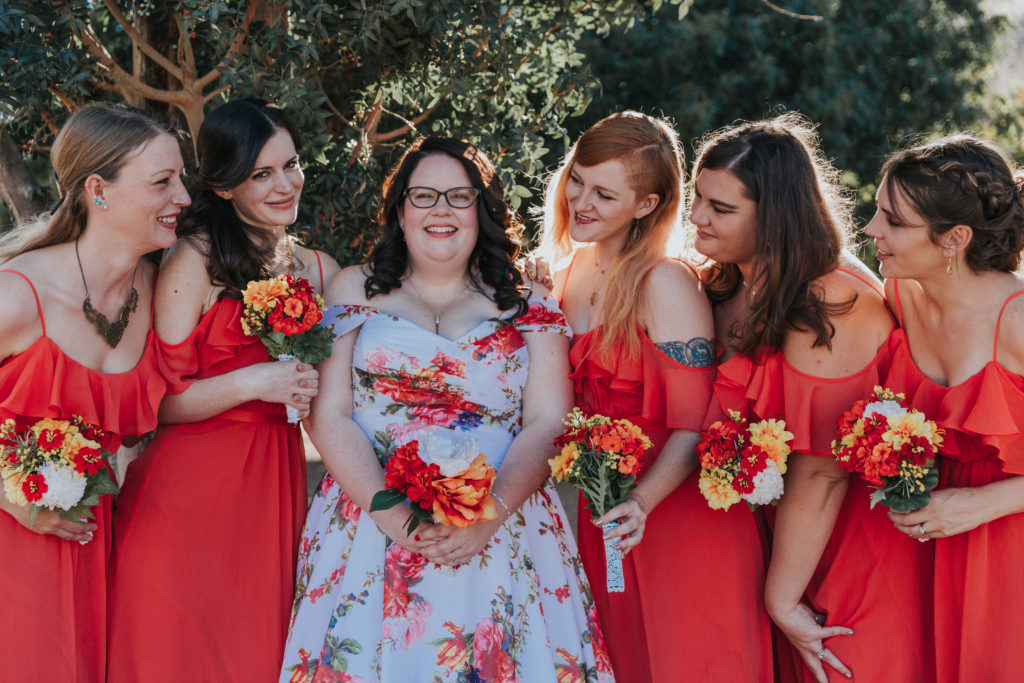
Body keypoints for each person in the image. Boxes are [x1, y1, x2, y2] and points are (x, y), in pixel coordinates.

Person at [281, 136, 612, 682]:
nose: (441, 210)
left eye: (459, 196)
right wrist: (395, 520)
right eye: (424, 195)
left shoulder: (528, 302)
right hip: (370, 522)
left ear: (482, 210)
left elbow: (550, 421)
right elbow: (329, 414)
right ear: (400, 210)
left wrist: (492, 515)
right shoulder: (351, 290)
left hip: (503, 524)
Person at [692, 113, 933, 683]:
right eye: (698, 197)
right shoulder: (731, 281)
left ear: (775, 218)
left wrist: (780, 598)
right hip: (784, 544)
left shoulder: (828, 299)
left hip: (852, 545)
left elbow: (824, 471)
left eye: (721, 209)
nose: (698, 217)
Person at [107, 99, 339, 681]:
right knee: (173, 654)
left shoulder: (318, 269)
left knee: (254, 655)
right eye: (262, 174)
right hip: (186, 494)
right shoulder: (194, 260)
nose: (286, 184)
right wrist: (256, 382)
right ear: (224, 184)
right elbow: (154, 404)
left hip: (271, 485)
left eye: (292, 165)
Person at [536, 111, 761, 682]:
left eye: (604, 193)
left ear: (645, 204)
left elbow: (697, 424)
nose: (581, 201)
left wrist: (642, 503)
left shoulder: (664, 281)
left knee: (692, 661)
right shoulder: (559, 276)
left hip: (675, 511)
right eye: (577, 179)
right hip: (605, 511)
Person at [0, 103, 189, 682]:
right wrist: (11, 498)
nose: (182, 197)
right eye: (162, 182)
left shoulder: (162, 291)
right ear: (98, 190)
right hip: (14, 544)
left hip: (100, 548)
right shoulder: (18, 296)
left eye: (181, 179)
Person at [865, 135, 1024, 682]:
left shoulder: (1019, 318)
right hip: (919, 545)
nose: (871, 230)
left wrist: (985, 505)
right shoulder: (897, 295)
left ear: (955, 237)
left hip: (1009, 546)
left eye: (893, 221)